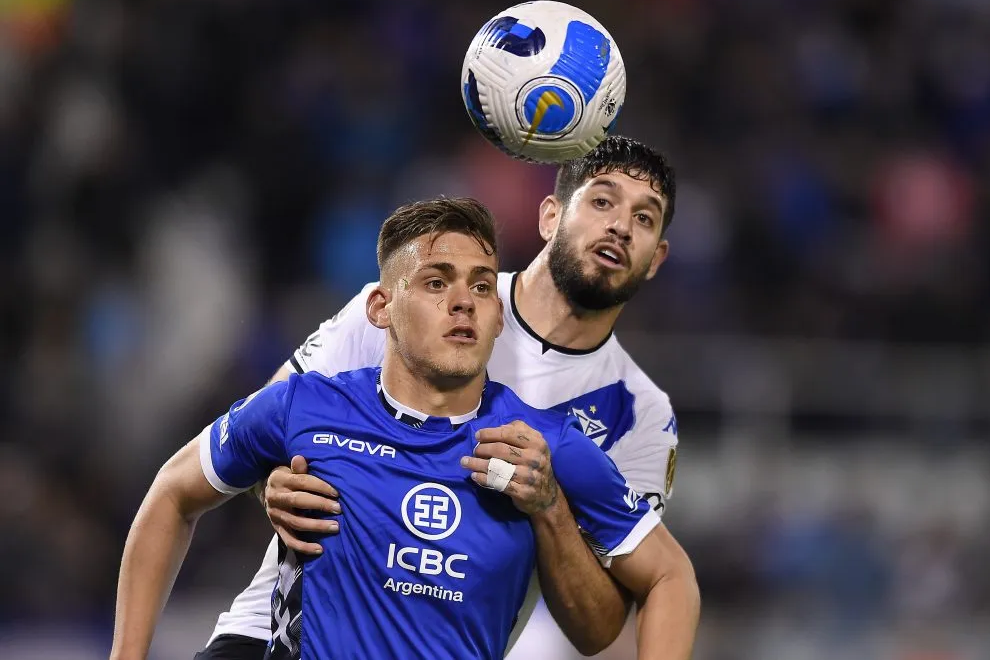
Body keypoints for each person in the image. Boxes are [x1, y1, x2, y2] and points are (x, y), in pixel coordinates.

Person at [110, 197, 698, 660]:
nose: (463, 302)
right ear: (381, 308)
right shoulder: (306, 406)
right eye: (437, 282)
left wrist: (550, 510)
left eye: (481, 286)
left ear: (499, 318)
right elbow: (171, 495)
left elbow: (669, 576)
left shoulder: (542, 448)